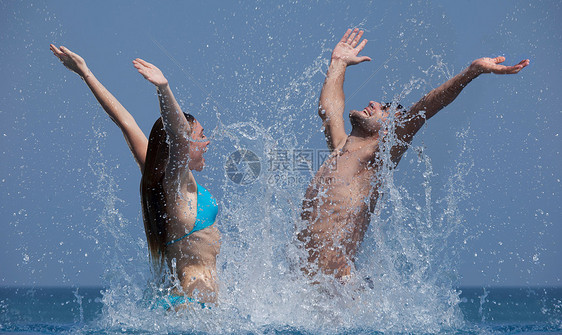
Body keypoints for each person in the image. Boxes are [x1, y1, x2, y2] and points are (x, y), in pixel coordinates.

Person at [296, 28, 529, 281]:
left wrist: (470, 73)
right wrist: (338, 62)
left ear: (389, 130)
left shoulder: (377, 156)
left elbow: (425, 107)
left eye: (384, 108)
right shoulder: (341, 147)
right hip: (306, 290)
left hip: (337, 292)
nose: (374, 102)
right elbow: (328, 108)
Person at [50, 45, 220, 308]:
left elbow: (124, 120)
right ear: (183, 145)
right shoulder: (176, 184)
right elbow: (176, 133)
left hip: (185, 306)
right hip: (192, 309)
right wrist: (164, 88)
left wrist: (86, 73)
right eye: (200, 136)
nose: (207, 142)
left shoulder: (158, 177)